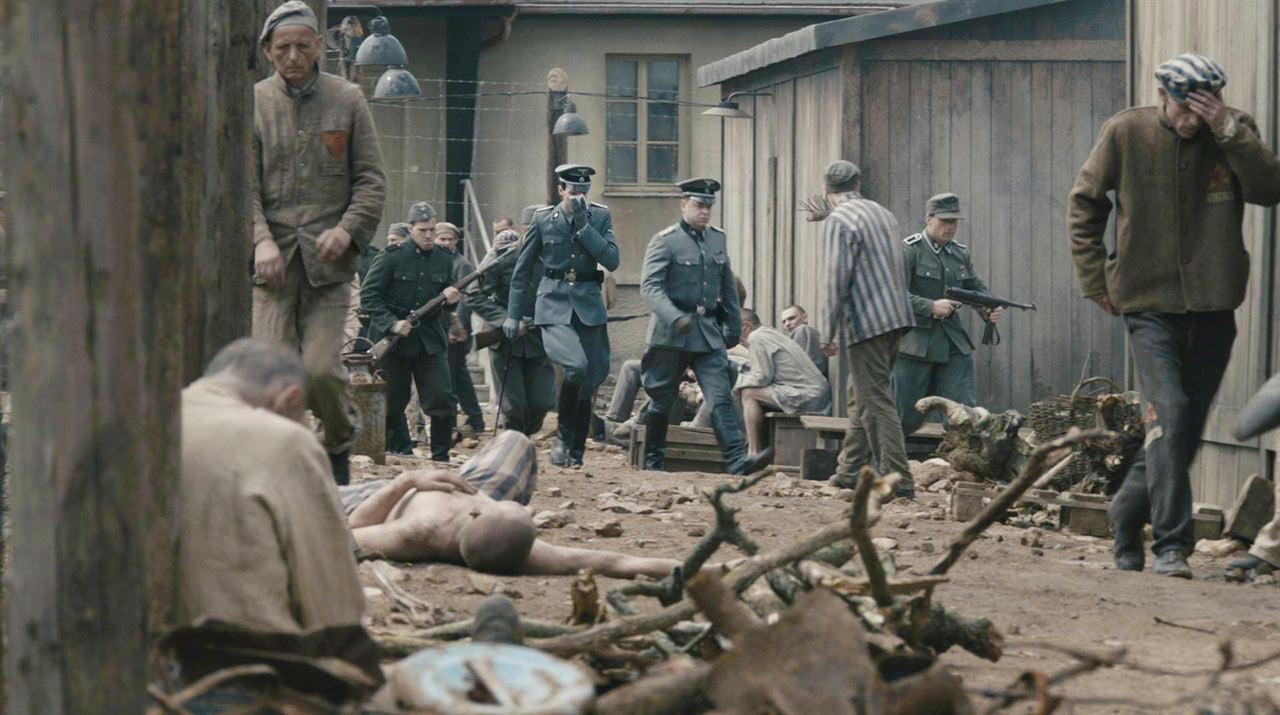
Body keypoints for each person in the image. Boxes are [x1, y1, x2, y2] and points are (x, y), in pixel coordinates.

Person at [1069, 53, 1280, 578]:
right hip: (1146, 304)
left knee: (1182, 427)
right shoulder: (1125, 131)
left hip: (1213, 304)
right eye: (1184, 108)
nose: (1192, 120)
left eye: (1203, 108)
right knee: (1171, 412)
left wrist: (1227, 129)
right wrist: (1096, 279)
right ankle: (1170, 546)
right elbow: (1085, 203)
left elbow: (1269, 190)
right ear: (1163, 97)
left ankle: (1123, 513)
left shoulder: (1232, 133)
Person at [251, 1, 386, 484]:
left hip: (328, 270)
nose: (292, 56)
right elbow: (240, 188)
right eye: (282, 47)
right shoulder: (254, 103)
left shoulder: (347, 100)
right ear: (268, 51)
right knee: (272, 377)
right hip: (272, 270)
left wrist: (347, 229)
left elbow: (371, 181)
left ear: (319, 49)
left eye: (302, 47)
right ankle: (283, 471)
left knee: (323, 372)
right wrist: (261, 240)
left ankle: (337, 447)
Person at [178, 338, 364, 633]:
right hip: (252, 661)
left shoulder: (154, 417)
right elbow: (333, 606)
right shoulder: (285, 440)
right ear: (289, 399)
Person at [344, 431, 694, 578]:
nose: (526, 506)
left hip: (383, 495)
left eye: (518, 509)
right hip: (471, 486)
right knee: (516, 439)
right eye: (522, 510)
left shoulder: (413, 532)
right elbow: (618, 562)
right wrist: (716, 568)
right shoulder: (530, 553)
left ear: (477, 511)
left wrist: (404, 481)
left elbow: (350, 531)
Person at [638, 178, 772, 475]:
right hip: (670, 333)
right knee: (662, 399)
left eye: (709, 206)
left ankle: (737, 460)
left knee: (719, 395)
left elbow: (726, 286)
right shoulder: (665, 240)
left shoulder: (717, 239)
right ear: (683, 204)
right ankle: (653, 461)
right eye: (699, 205)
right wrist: (675, 317)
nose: (705, 212)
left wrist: (732, 326)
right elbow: (650, 287)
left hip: (707, 331)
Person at [505, 165, 620, 467]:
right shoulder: (544, 220)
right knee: (576, 366)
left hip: (588, 306)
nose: (578, 198)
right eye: (572, 192)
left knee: (590, 379)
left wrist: (584, 226)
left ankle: (576, 451)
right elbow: (522, 271)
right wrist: (514, 315)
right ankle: (561, 440)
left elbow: (612, 260)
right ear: (560, 190)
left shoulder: (599, 216)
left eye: (583, 192)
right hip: (553, 304)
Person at [818, 160, 916, 498]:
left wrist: (827, 332)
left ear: (826, 190)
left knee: (874, 400)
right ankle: (849, 471)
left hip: (867, 321)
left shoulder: (838, 221)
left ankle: (898, 480)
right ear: (859, 183)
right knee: (858, 394)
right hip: (897, 317)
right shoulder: (883, 213)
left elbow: (835, 280)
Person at [893, 193, 1004, 436]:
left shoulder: (959, 254)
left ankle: (961, 466)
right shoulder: (909, 250)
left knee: (964, 415)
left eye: (954, 222)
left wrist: (988, 308)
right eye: (944, 221)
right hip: (915, 344)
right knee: (904, 418)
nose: (950, 227)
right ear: (928, 219)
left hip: (952, 342)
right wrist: (929, 306)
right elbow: (893, 293)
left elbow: (975, 288)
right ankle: (885, 466)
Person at [362, 202, 462, 461]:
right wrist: (391, 323)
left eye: (431, 229)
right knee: (393, 402)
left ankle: (441, 457)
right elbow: (369, 296)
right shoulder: (391, 257)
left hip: (429, 339)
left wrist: (452, 299)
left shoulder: (445, 257)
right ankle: (381, 453)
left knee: (442, 398)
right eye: (422, 230)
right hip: (394, 342)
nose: (428, 235)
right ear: (410, 229)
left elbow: (451, 294)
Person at [735, 310, 831, 454]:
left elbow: (761, 378)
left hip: (809, 395)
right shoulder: (769, 333)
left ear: (745, 325)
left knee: (748, 393)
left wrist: (734, 384)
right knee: (747, 391)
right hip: (815, 393)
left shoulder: (756, 337)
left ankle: (752, 452)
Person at [434, 222, 487, 438]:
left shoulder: (462, 265)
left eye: (450, 239)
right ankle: (475, 419)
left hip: (455, 331)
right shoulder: (436, 262)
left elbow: (465, 301)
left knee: (450, 378)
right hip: (441, 328)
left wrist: (457, 327)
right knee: (460, 376)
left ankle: (454, 424)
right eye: (442, 239)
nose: (446, 242)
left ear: (456, 241)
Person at [780, 304, 828, 377]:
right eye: (784, 322)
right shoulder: (806, 332)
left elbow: (796, 367)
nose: (787, 324)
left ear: (805, 318)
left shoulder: (803, 329)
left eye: (791, 318)